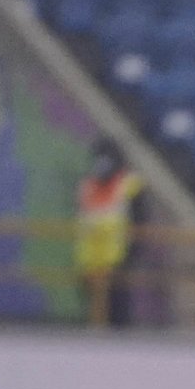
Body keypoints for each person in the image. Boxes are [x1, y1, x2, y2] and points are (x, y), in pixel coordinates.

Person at [75, 138, 149, 326]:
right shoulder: (87, 185)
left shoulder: (130, 184)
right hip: (89, 259)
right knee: (92, 315)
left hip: (118, 258)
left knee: (118, 312)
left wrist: (133, 253)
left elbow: (140, 221)